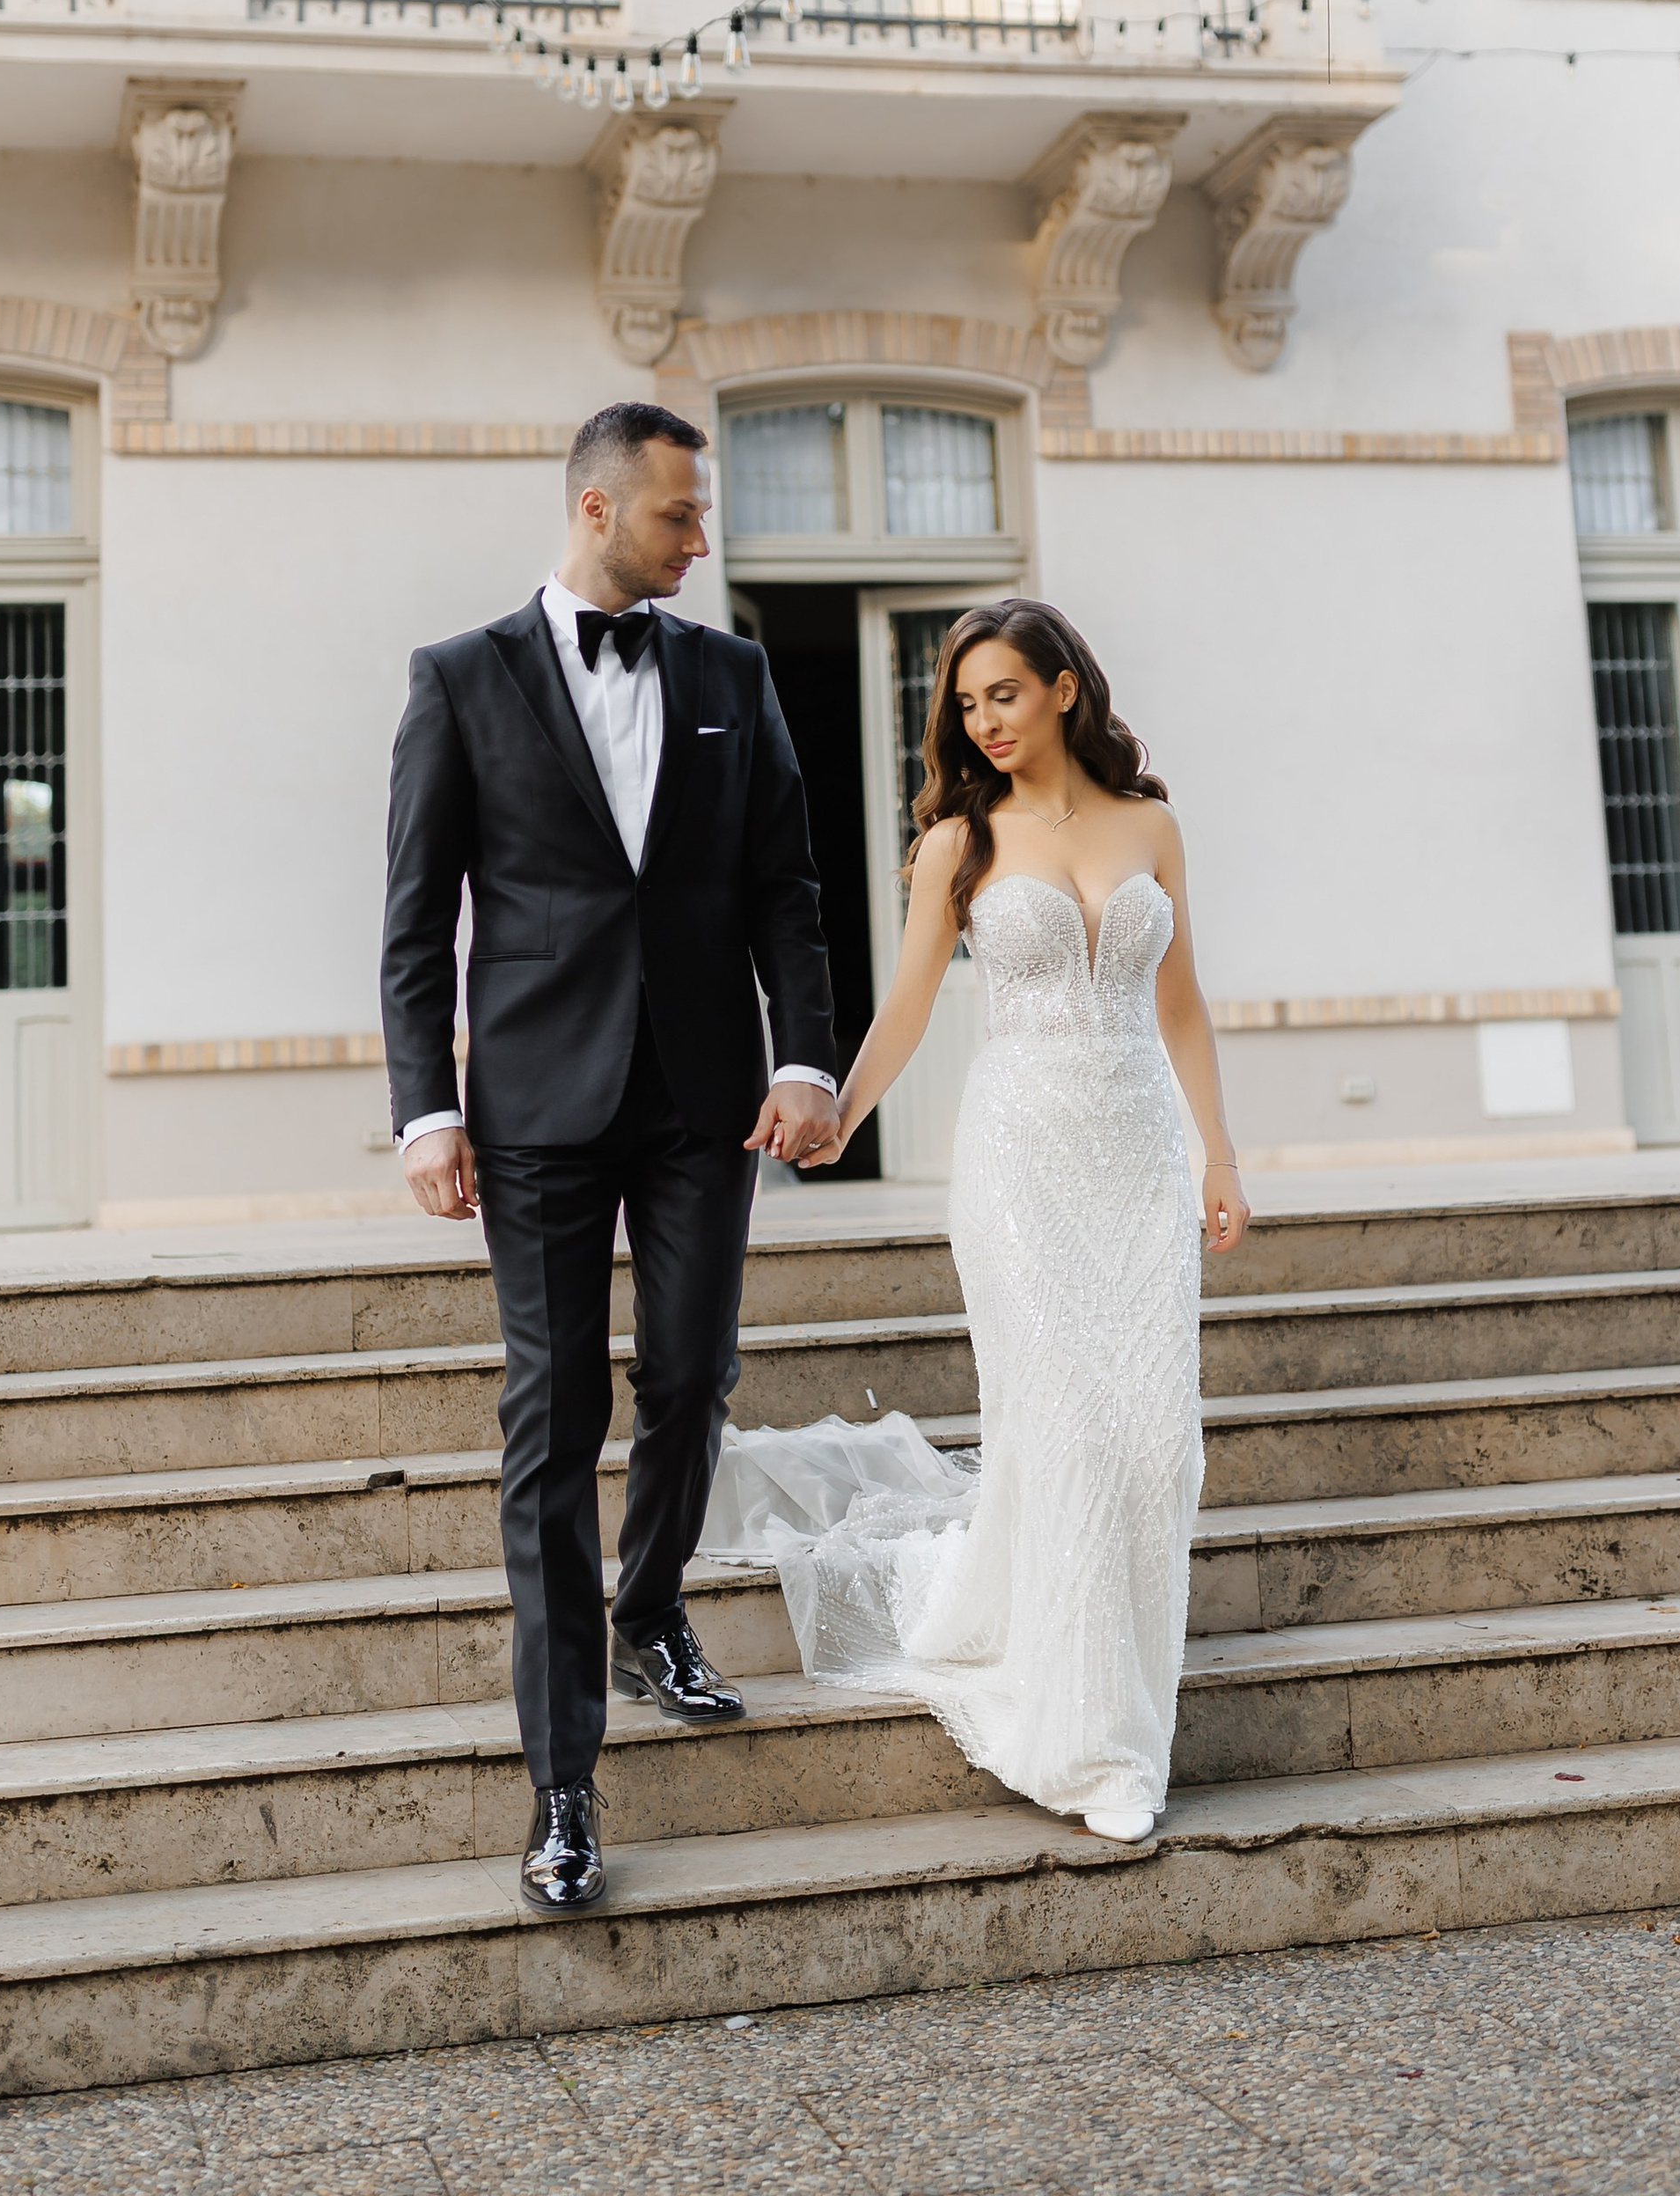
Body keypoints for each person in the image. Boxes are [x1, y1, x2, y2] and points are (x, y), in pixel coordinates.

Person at [380, 400, 839, 1912]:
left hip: (707, 1093)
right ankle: (563, 1785)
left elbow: (787, 884)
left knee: (694, 1374)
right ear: (594, 510)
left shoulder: (733, 671)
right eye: (677, 518)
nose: (701, 541)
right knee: (555, 1408)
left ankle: (649, 1613)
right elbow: (416, 922)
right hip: (533, 1105)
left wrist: (801, 1054)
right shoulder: (459, 681)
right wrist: (425, 1110)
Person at [707, 597, 1250, 1845]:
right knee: (1062, 1434)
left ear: (1064, 688)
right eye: (965, 703)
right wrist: (836, 1110)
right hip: (1019, 1167)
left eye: (1003, 693)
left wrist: (1221, 1152)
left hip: (1140, 1166)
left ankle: (1121, 1694)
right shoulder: (960, 840)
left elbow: (1182, 1006)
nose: (983, 720)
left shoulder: (1152, 826)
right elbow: (903, 1006)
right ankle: (1085, 1739)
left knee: (1156, 1448)